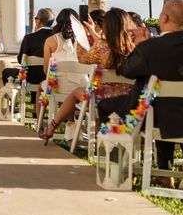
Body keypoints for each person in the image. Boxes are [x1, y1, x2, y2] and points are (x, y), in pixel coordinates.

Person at [99, 0, 183, 183]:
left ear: (165, 18)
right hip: (175, 115)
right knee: (167, 106)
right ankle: (163, 173)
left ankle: (120, 166)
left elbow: (128, 71)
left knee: (108, 107)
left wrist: (141, 46)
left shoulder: (151, 48)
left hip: (157, 117)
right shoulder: (153, 46)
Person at [39, 8, 135, 143]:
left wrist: (81, 37)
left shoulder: (102, 47)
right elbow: (107, 45)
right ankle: (98, 136)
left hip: (102, 98)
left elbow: (83, 59)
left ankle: (52, 127)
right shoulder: (133, 47)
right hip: (128, 98)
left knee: (75, 94)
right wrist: (93, 32)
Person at [36, 8, 82, 116]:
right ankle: (71, 124)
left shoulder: (51, 40)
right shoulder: (82, 40)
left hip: (58, 86)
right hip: (81, 86)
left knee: (40, 88)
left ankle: (39, 123)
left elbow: (46, 69)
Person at [1, 8, 55, 94]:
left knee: (6, 72)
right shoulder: (56, 39)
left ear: (38, 21)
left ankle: (13, 102)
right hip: (51, 78)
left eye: (36, 18)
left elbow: (20, 60)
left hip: (29, 79)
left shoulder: (29, 38)